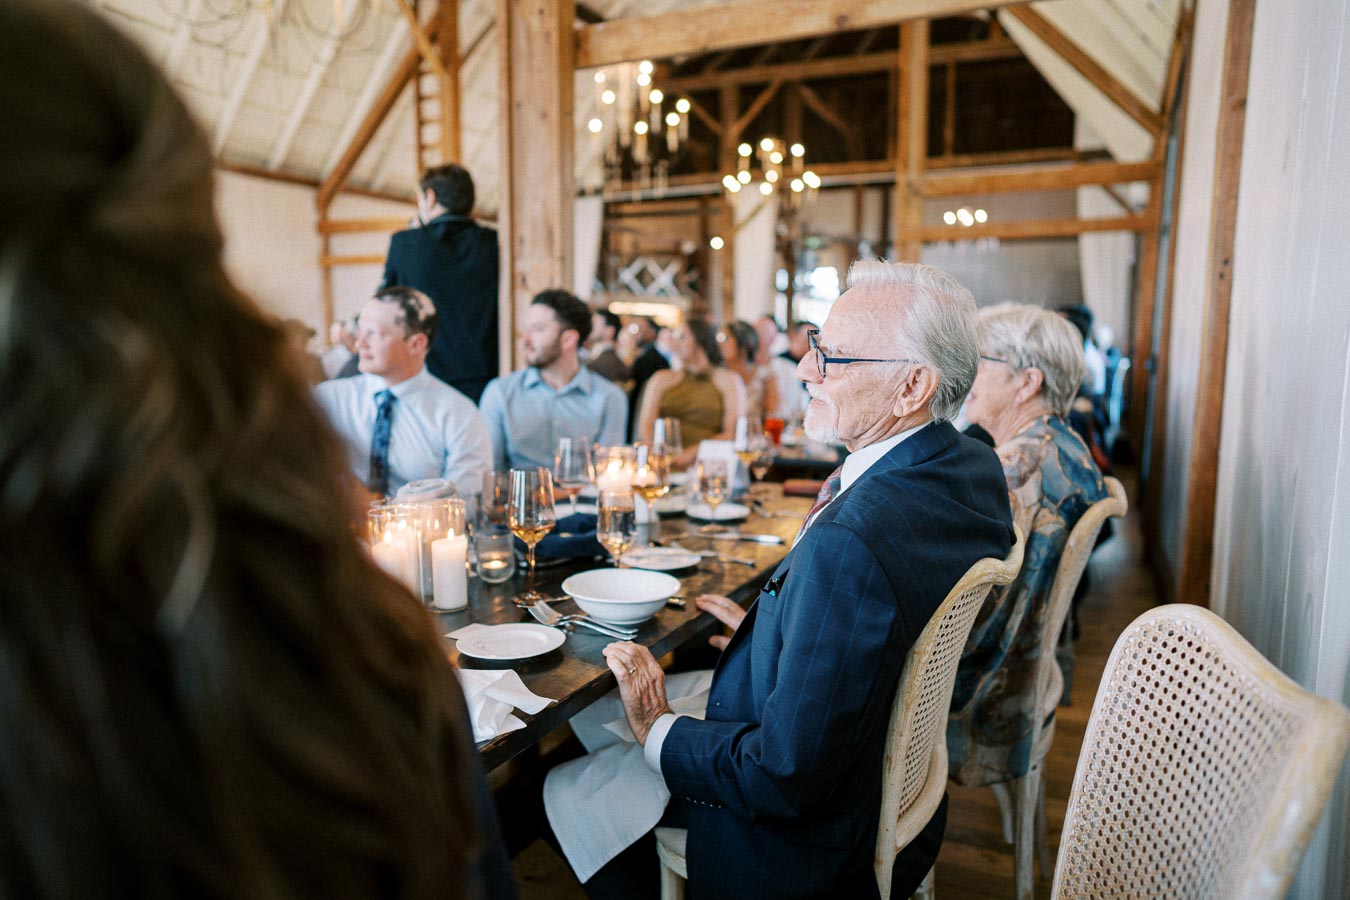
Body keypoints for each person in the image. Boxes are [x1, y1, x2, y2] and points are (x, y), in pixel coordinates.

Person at [0, 3, 513, 898]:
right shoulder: (341, 630)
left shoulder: (445, 426)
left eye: (373, 328)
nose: (358, 341)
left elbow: (468, 505)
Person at [597, 261, 1015, 899]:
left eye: (834, 357)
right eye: (815, 346)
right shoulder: (970, 466)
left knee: (578, 782)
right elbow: (883, 612)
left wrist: (655, 725)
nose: (804, 370)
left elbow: (782, 778)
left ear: (912, 389)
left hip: (801, 850)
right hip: (890, 788)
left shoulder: (852, 544)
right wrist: (794, 617)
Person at [946, 304, 1108, 788]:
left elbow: (957, 611)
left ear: (1027, 381)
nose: (966, 374)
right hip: (1027, 675)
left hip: (980, 691)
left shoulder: (1008, 472)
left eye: (981, 362)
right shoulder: (1067, 447)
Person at [314, 286, 493, 498]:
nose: (360, 342)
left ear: (416, 344)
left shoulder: (458, 414)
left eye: (375, 333)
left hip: (425, 529)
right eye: (360, 330)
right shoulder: (327, 399)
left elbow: (462, 503)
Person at [382, 164, 499, 403]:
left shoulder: (405, 244)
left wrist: (412, 234)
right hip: (486, 379)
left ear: (430, 197)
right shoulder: (493, 243)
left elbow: (385, 303)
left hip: (427, 379)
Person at [479, 290, 628, 471]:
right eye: (525, 328)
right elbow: (490, 472)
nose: (525, 339)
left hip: (583, 499)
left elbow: (607, 474)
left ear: (568, 339)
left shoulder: (610, 398)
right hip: (518, 499)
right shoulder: (500, 393)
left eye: (537, 329)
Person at [636, 320, 747, 466]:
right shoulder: (660, 379)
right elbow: (646, 428)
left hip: (710, 464)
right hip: (664, 463)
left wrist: (692, 453)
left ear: (700, 340)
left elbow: (732, 433)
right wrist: (664, 458)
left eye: (681, 337)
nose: (674, 343)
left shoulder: (729, 380)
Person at [717, 319, 780, 422]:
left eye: (725, 338)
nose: (720, 344)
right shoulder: (717, 374)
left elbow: (772, 415)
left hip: (754, 435)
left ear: (743, 342)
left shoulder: (765, 377)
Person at [626, 317, 670, 440]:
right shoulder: (642, 356)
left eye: (639, 329)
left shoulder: (654, 359)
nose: (634, 334)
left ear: (651, 332)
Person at [768, 321, 812, 420]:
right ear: (793, 337)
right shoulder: (778, 364)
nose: (811, 346)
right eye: (807, 340)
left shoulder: (816, 366)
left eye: (815, 342)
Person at [585, 308, 631, 384]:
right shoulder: (601, 357)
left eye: (594, 323)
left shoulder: (606, 363)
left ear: (609, 331)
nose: (589, 327)